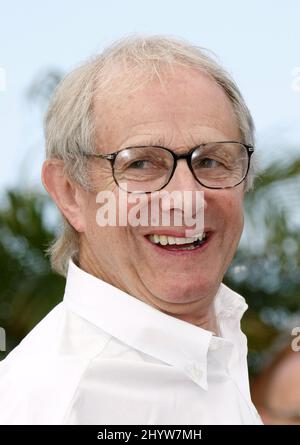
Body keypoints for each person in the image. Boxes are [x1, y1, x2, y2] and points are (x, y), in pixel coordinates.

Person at [0, 35, 262, 425]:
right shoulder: (53, 405)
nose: (187, 198)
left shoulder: (221, 339)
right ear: (70, 193)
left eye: (210, 160)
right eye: (140, 164)